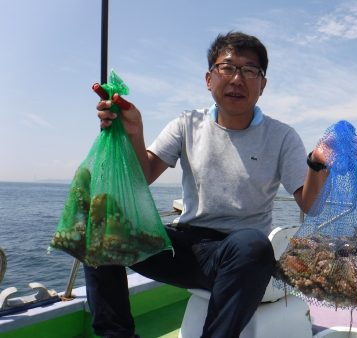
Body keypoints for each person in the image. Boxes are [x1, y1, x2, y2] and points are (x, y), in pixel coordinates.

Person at [86, 31, 329, 338]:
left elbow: (310, 205)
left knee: (253, 246)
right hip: (186, 247)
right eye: (227, 68)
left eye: (250, 70)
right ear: (209, 79)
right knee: (100, 220)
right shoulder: (186, 123)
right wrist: (134, 132)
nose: (237, 79)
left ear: (262, 84)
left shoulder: (282, 136)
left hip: (242, 253)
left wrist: (318, 165)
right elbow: (143, 175)